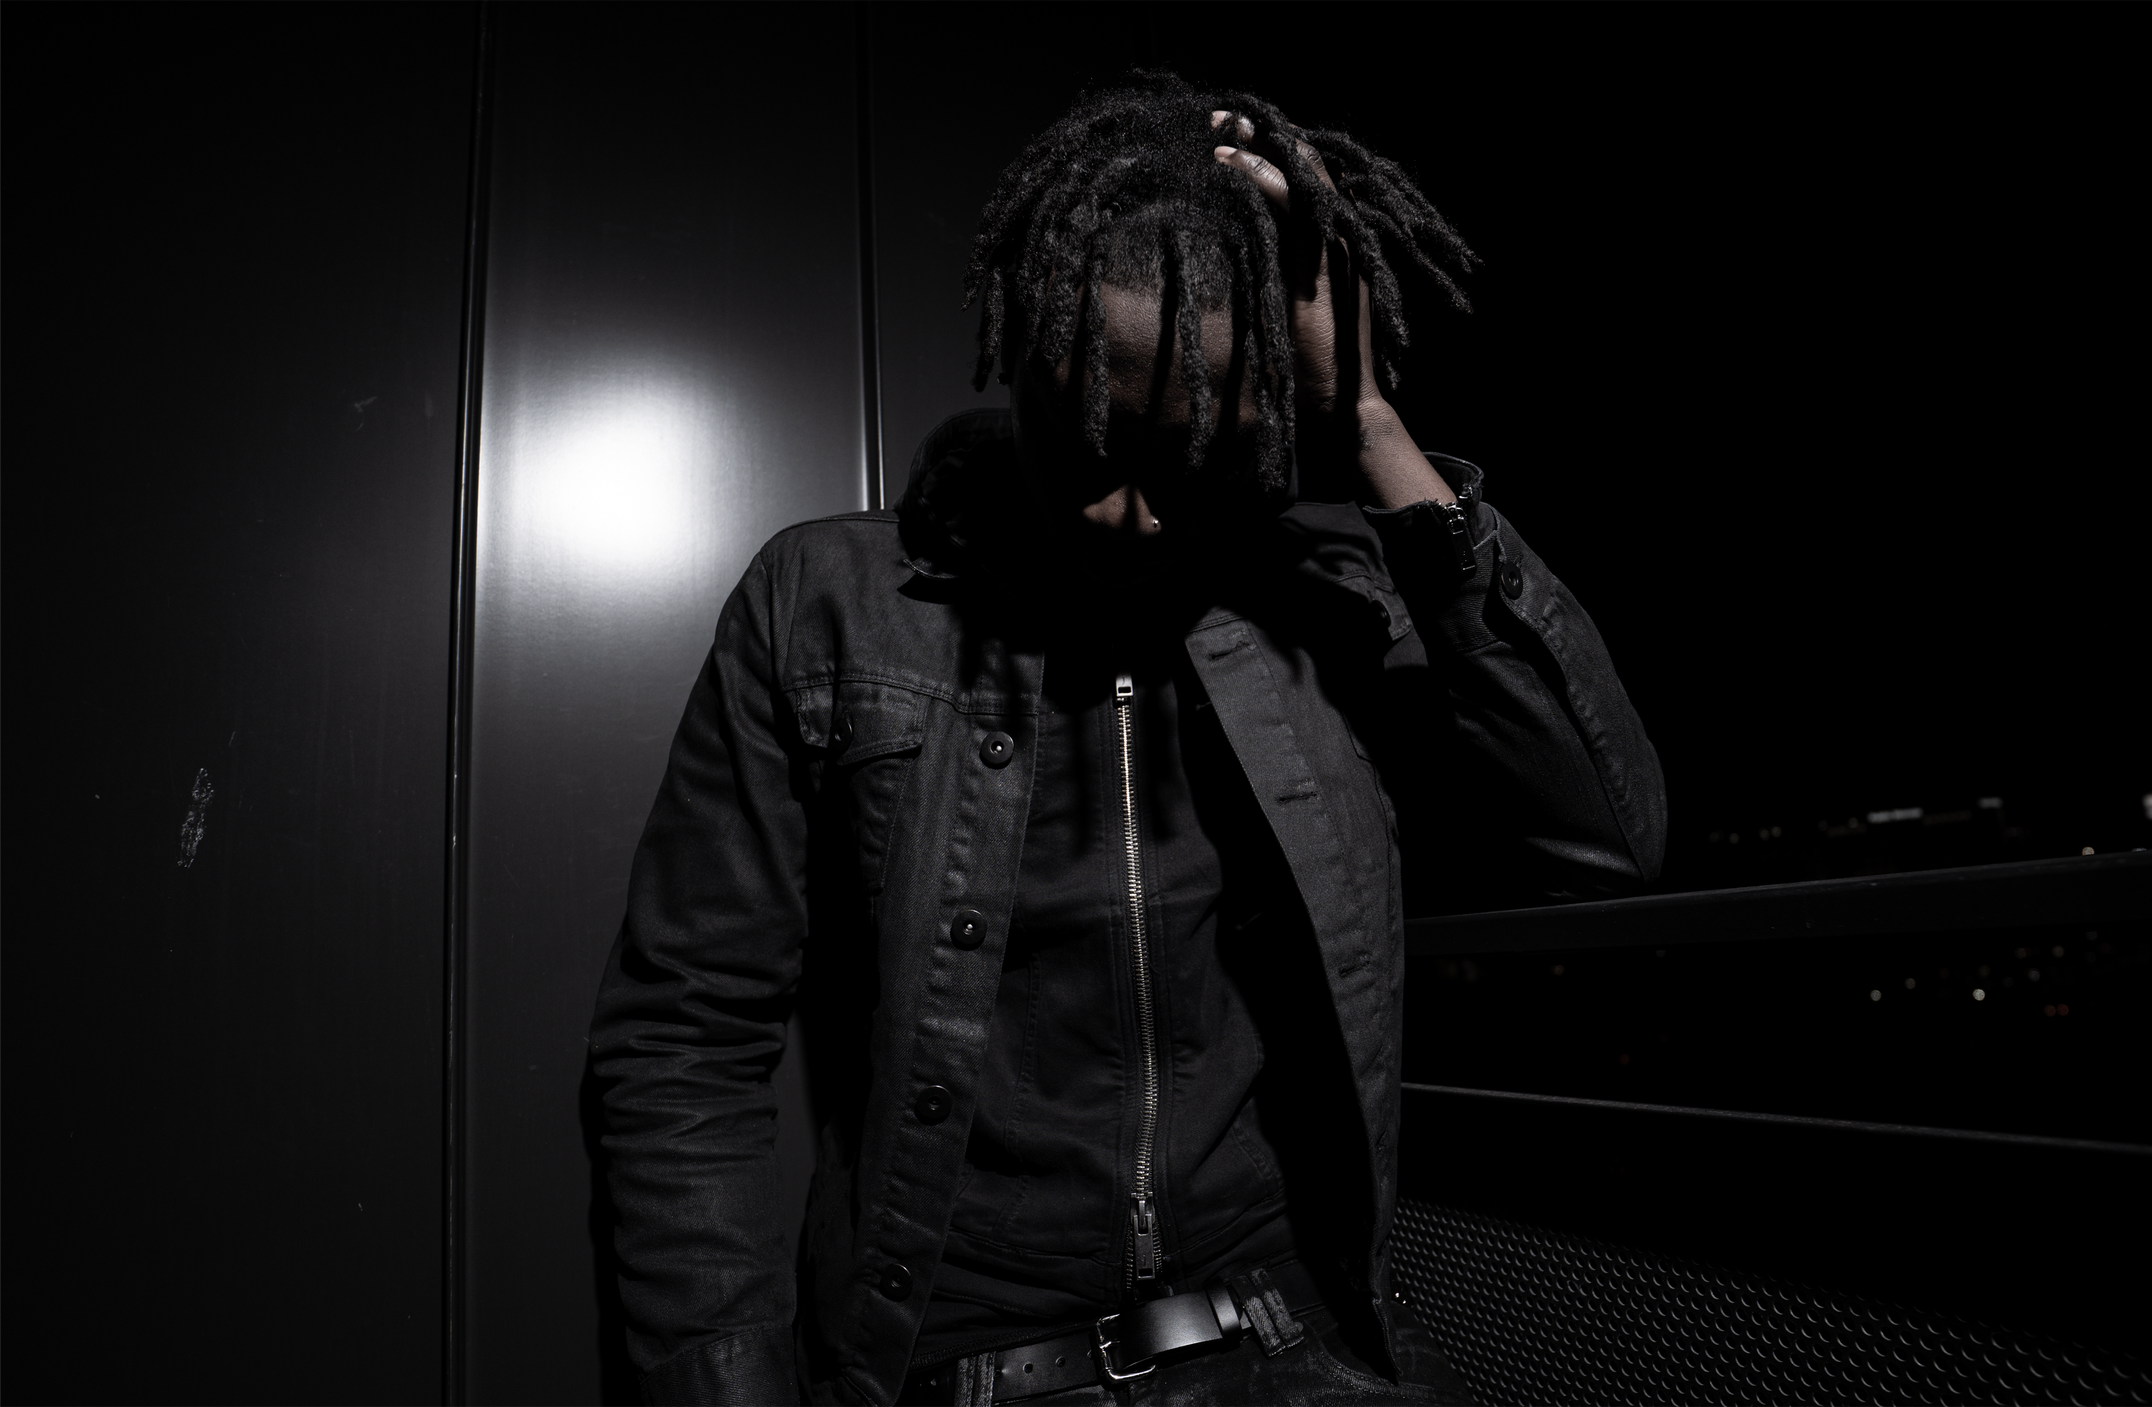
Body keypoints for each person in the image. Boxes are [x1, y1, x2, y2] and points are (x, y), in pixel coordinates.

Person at [590, 73, 1665, 1407]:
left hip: (1290, 1342)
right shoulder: (827, 603)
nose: (1126, 512)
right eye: (1084, 441)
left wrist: (1371, 422)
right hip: (966, 1363)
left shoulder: (1317, 598)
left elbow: (1603, 836)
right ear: (1026, 354)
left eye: (1183, 456)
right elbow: (682, 1040)